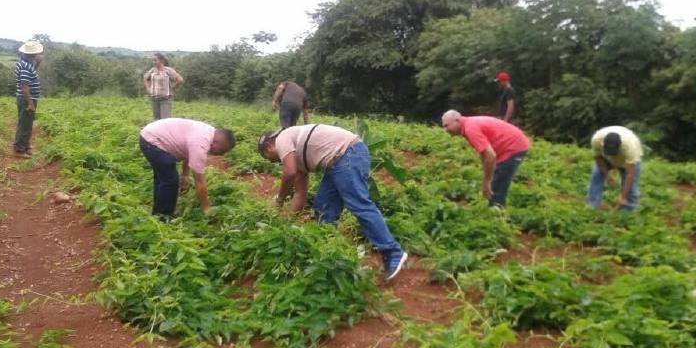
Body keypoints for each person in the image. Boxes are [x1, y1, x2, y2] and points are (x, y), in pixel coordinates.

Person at [257, 124, 407, 282]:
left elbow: (290, 173)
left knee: (359, 205)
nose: (277, 162)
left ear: (268, 147)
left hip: (348, 154)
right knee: (323, 208)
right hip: (336, 162)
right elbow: (300, 195)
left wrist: (279, 200)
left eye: (271, 159)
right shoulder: (297, 157)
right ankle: (328, 256)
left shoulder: (282, 138)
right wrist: (283, 225)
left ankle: (393, 252)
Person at [139, 118, 235, 217]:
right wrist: (206, 208)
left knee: (163, 177)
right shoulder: (201, 143)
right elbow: (199, 181)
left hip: (149, 136)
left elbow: (188, 152)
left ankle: (158, 211)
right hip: (152, 140)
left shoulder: (208, 132)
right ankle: (163, 216)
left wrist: (185, 175)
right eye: (222, 150)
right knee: (170, 181)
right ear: (217, 141)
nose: (221, 154)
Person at [441, 110, 530, 207]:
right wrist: (487, 175)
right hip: (508, 146)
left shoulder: (470, 129)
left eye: (447, 125)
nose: (445, 130)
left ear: (457, 120)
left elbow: (490, 155)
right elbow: (484, 154)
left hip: (513, 147)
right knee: (494, 182)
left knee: (496, 188)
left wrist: (486, 182)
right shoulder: (469, 124)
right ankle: (495, 210)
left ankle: (497, 215)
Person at [587, 126, 642, 211]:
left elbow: (630, 175)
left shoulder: (630, 147)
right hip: (606, 159)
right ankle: (592, 206)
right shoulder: (596, 140)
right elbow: (598, 158)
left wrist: (623, 197)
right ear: (603, 144)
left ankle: (628, 213)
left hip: (626, 160)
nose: (611, 155)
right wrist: (607, 177)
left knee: (632, 188)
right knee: (596, 175)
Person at [13, 41, 44, 158]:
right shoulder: (26, 66)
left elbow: (31, 76)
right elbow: (24, 86)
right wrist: (30, 103)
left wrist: (37, 64)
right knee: (24, 124)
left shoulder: (26, 63)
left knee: (27, 123)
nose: (37, 55)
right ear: (32, 55)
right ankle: (19, 150)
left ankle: (25, 146)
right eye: (36, 54)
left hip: (27, 98)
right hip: (27, 99)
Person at [143, 53, 184, 120]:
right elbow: (145, 78)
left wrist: (172, 87)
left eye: (155, 60)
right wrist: (148, 89)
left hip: (165, 99)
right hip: (154, 99)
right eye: (153, 60)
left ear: (161, 61)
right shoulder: (152, 70)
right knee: (156, 120)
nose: (153, 62)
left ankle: (167, 131)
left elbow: (180, 80)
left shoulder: (168, 70)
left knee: (165, 120)